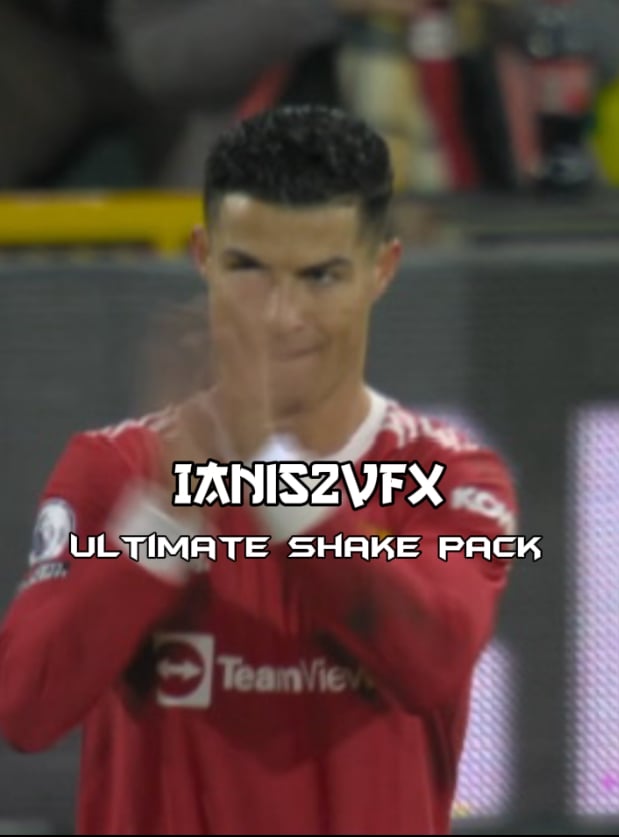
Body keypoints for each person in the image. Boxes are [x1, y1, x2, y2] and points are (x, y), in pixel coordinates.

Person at [0, 105, 518, 835]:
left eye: (321, 276)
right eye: (248, 268)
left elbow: (429, 656)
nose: (280, 315)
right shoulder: (114, 470)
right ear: (203, 255)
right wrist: (167, 516)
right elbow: (26, 708)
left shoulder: (450, 477)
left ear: (381, 270)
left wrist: (261, 468)